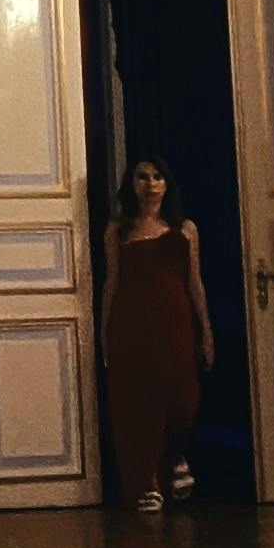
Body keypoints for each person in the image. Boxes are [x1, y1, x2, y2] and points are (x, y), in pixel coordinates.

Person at [102, 157, 212, 517]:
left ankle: (174, 456)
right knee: (139, 403)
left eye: (157, 176)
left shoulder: (185, 229)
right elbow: (112, 282)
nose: (150, 183)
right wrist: (103, 332)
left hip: (175, 322)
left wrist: (206, 330)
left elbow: (195, 283)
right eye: (142, 176)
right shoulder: (119, 230)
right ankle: (147, 480)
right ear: (132, 183)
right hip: (132, 324)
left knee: (183, 399)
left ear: (167, 183)